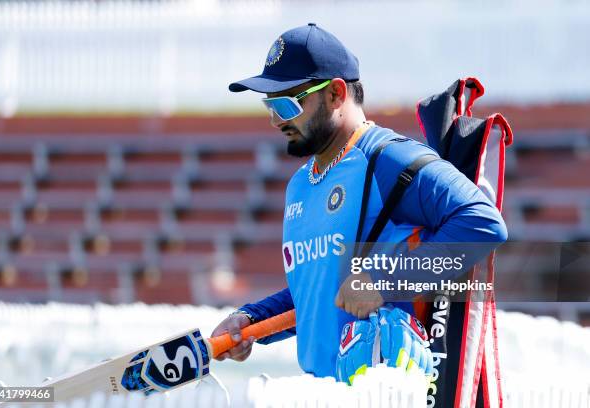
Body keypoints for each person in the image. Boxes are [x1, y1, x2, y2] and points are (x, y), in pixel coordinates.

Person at [211, 23, 507, 381]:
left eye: (287, 104)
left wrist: (382, 282)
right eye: (269, 104)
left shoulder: (389, 159)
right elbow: (319, 287)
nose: (275, 119)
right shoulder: (300, 185)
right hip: (320, 393)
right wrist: (253, 320)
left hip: (388, 393)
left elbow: (483, 223)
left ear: (336, 94)